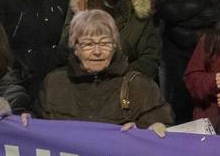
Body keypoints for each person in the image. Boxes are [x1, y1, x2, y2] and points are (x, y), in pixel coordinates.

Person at [34, 9, 173, 128]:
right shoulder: (54, 84)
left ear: (115, 46)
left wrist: (144, 132)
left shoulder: (138, 86)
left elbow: (163, 128)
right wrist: (26, 122)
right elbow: (36, 131)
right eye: (88, 44)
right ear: (75, 48)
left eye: (105, 43)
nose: (97, 51)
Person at [155, 0, 220, 120]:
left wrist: (181, 13)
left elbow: (215, 12)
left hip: (205, 47)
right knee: (179, 97)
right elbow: (163, 8)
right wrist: (201, 3)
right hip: (175, 46)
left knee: (204, 96)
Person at [72, 0, 160, 81]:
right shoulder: (83, 12)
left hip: (126, 88)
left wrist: (119, 75)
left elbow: (149, 58)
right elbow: (68, 53)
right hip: (87, 87)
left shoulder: (139, 18)